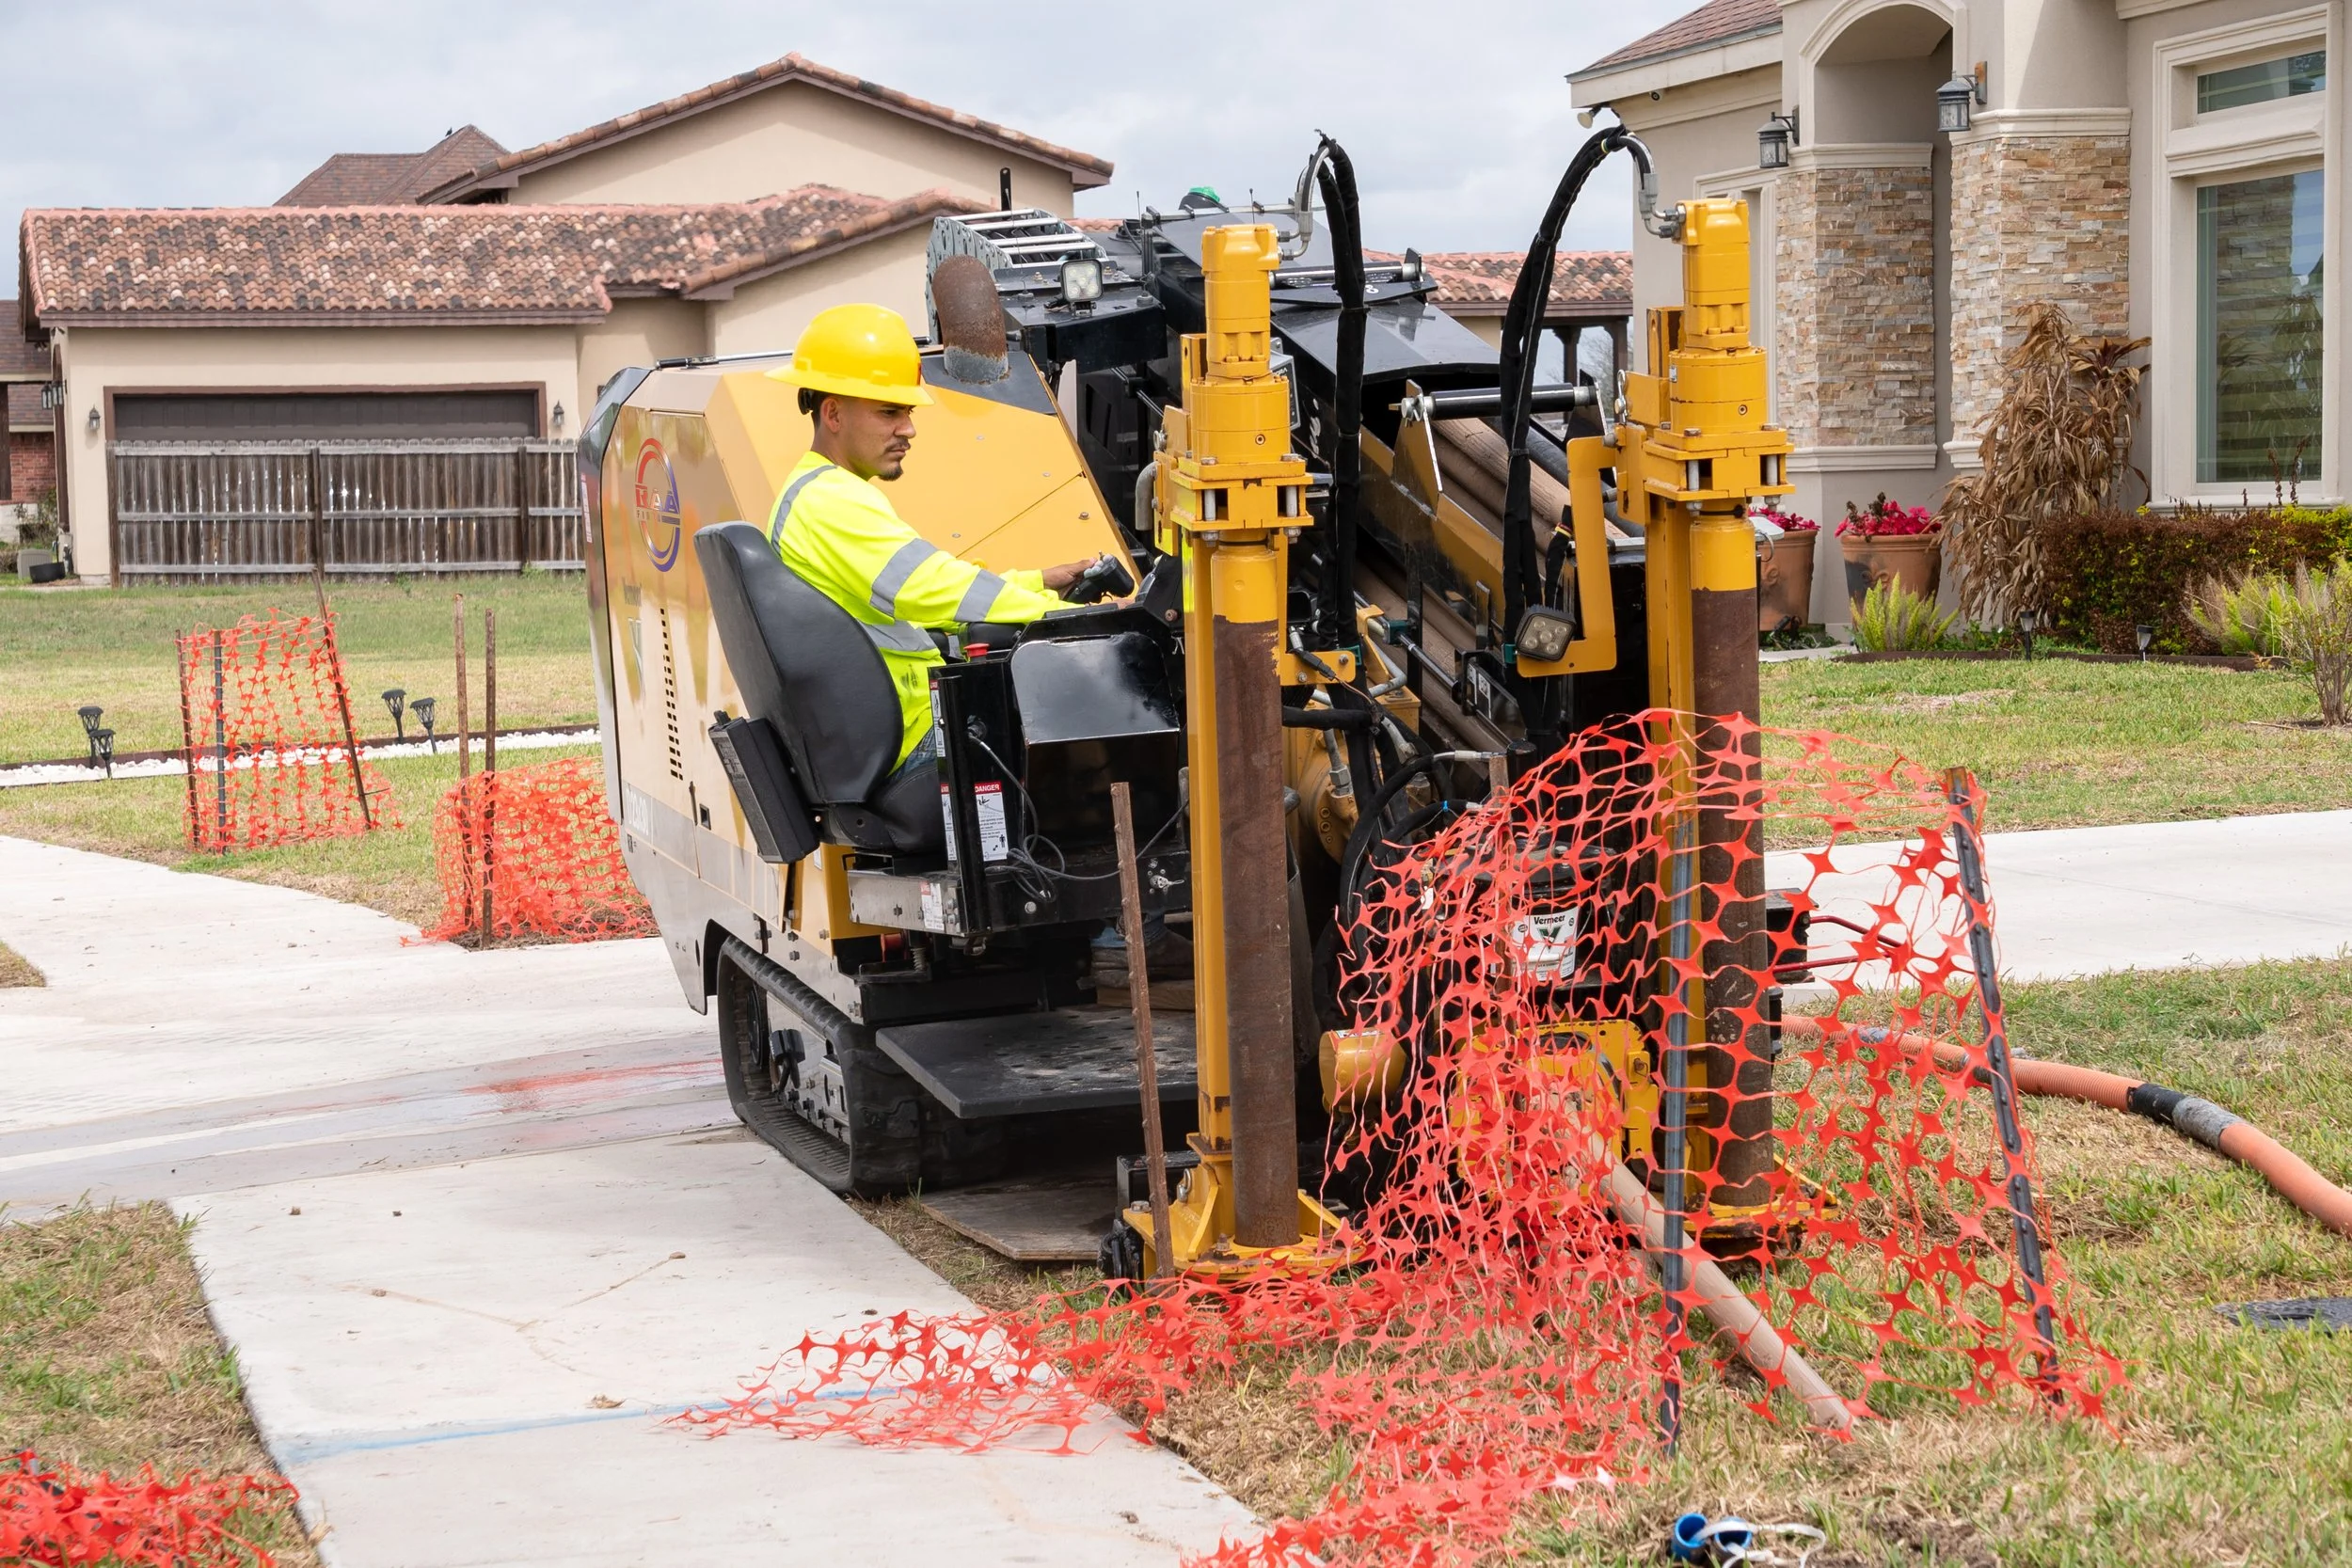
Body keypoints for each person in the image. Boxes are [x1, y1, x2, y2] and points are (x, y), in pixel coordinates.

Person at [765, 303, 1104, 775]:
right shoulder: (829, 502)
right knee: (1097, 717)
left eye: (906, 411)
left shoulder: (823, 493)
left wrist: (1039, 583)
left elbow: (923, 590)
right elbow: (928, 588)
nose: (909, 428)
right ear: (834, 413)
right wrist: (1076, 620)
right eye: (889, 412)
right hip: (909, 739)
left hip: (885, 732)